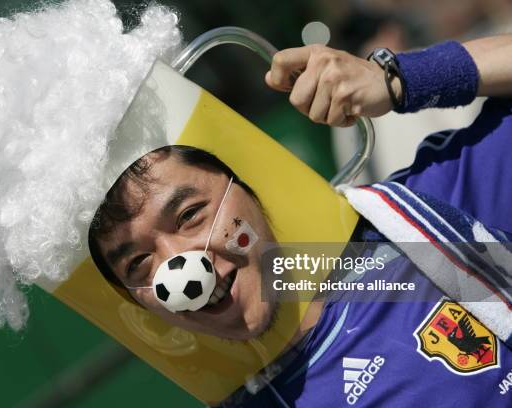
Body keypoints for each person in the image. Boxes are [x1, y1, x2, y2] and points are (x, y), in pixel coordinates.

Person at [88, 35, 512, 406]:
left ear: (244, 185)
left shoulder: (426, 214)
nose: (180, 271)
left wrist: (399, 79)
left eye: (189, 215)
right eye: (139, 264)